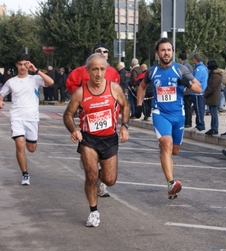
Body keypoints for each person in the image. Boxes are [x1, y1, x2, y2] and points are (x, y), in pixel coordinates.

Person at [63, 54, 130, 227]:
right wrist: (74, 130)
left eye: (102, 69)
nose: (99, 74)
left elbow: (125, 105)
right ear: (88, 71)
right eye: (94, 69)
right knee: (91, 174)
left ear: (106, 70)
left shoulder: (114, 89)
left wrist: (124, 126)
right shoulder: (80, 93)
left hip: (109, 139)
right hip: (89, 139)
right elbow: (68, 115)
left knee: (110, 180)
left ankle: (97, 179)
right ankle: (93, 211)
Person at [135, 38, 201, 199]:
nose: (166, 53)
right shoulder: (152, 71)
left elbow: (199, 88)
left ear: (172, 52)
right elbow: (142, 87)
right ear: (158, 53)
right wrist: (139, 105)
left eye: (169, 50)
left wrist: (186, 82)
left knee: (174, 151)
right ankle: (171, 183)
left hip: (178, 115)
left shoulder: (181, 70)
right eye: (163, 50)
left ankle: (166, 158)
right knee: (166, 144)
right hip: (160, 114)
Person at [66, 43, 120, 197]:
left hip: (107, 123)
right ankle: (92, 173)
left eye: (105, 51)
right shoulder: (80, 71)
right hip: (89, 119)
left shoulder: (113, 73)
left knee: (108, 172)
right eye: (99, 51)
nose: (102, 53)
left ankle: (101, 179)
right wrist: (82, 98)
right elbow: (70, 84)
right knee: (90, 166)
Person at [0, 53, 54, 185]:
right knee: (19, 145)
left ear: (29, 65)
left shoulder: (35, 79)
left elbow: (50, 82)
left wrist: (36, 70)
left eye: (25, 64)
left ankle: (31, 143)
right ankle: (25, 174)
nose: (23, 67)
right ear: (16, 65)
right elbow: (1, 94)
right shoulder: (11, 82)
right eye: (20, 64)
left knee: (31, 148)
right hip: (17, 117)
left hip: (32, 118)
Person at [203, 59, 222, 136]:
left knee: (214, 114)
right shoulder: (212, 74)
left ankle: (215, 128)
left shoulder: (216, 76)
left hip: (214, 98)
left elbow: (212, 87)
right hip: (212, 98)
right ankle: (213, 128)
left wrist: (205, 94)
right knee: (213, 113)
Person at [191, 53, 208, 132]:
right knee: (200, 109)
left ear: (195, 59)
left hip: (198, 92)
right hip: (202, 92)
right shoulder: (204, 68)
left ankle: (200, 125)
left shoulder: (198, 69)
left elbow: (195, 80)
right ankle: (199, 124)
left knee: (198, 109)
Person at [178, 53, 194, 128]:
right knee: (188, 107)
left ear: (181, 59)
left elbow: (184, 78)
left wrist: (184, 87)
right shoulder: (190, 66)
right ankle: (189, 122)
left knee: (186, 107)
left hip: (186, 90)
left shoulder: (183, 67)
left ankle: (187, 122)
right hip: (189, 89)